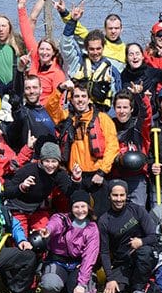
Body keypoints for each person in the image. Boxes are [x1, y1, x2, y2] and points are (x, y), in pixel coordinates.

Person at [47, 82, 120, 215]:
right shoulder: (67, 119)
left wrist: (102, 172)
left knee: (99, 216)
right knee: (77, 217)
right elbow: (50, 107)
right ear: (71, 99)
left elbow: (112, 147)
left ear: (89, 99)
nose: (80, 99)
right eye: (76, 96)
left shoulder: (103, 119)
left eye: (83, 96)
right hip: (76, 177)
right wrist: (60, 88)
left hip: (96, 176)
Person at [97, 180, 158, 293]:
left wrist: (141, 241)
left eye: (122, 195)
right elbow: (104, 252)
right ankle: (134, 283)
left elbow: (154, 236)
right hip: (122, 263)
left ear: (126, 195)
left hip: (141, 257)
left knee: (144, 252)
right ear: (109, 196)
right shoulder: (104, 220)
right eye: (115, 195)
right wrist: (110, 278)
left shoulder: (137, 210)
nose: (119, 199)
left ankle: (139, 288)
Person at [36, 191, 100, 293]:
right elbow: (54, 224)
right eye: (76, 207)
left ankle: (74, 287)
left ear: (88, 207)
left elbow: (89, 257)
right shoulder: (61, 218)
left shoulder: (92, 228)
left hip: (77, 265)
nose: (80, 210)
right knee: (50, 285)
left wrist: (81, 284)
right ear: (71, 207)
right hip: (58, 261)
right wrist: (48, 230)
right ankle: (57, 288)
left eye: (83, 206)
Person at [58, 0, 122, 110]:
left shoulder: (111, 70)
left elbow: (117, 96)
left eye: (98, 49)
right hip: (77, 113)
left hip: (101, 114)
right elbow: (66, 44)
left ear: (103, 48)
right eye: (91, 49)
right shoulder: (77, 62)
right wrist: (72, 20)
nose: (95, 52)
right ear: (87, 49)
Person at [3, 142, 77, 235]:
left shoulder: (59, 174)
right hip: (18, 209)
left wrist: (76, 179)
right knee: (21, 240)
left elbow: (71, 193)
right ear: (41, 161)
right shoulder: (28, 170)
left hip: (37, 210)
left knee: (42, 238)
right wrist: (21, 187)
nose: (50, 165)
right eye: (47, 161)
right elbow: (7, 191)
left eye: (54, 161)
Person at [17, 0, 66, 99]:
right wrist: (21, 9)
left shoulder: (57, 73)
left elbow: (58, 100)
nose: (44, 52)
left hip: (47, 112)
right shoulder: (35, 57)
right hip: (30, 105)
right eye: (42, 49)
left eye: (48, 49)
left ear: (53, 52)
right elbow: (27, 33)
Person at [0, 11, 27, 87]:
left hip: (17, 86)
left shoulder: (19, 43)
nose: (1, 29)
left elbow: (32, 20)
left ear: (9, 27)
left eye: (3, 26)